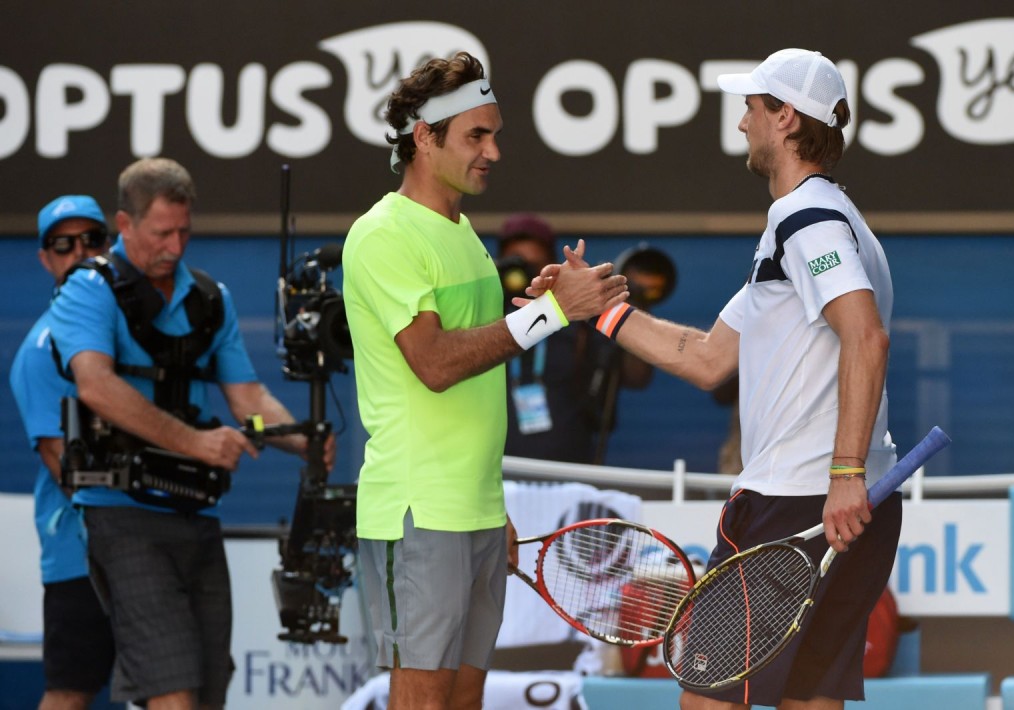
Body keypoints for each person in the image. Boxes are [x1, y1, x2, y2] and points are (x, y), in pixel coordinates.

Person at [528, 48, 900, 710]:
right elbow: (706, 357)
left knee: (707, 700)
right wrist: (596, 312)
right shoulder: (822, 225)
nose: (742, 125)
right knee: (809, 700)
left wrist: (844, 473)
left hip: (799, 500)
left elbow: (866, 337)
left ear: (785, 118)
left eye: (752, 109)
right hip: (846, 503)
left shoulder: (806, 219)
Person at [342, 52, 627, 710]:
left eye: (495, 134)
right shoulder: (381, 234)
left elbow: (481, 365)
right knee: (423, 701)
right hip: (416, 513)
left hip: (473, 511)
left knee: (466, 701)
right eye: (477, 135)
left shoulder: (465, 232)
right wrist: (554, 315)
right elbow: (436, 363)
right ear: (424, 135)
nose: (494, 151)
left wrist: (491, 508)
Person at [47, 158, 334, 710]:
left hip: (195, 515)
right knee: (171, 695)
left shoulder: (210, 297)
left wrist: (300, 439)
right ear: (124, 224)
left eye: (185, 231)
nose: (175, 246)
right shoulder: (87, 290)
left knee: (207, 694)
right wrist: (197, 441)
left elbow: (247, 398)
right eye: (161, 233)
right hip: (121, 514)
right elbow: (96, 387)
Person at [10, 195, 115, 710]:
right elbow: (65, 468)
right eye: (63, 244)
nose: (80, 253)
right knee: (71, 692)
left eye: (93, 240)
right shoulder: (37, 350)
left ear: (111, 245)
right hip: (80, 554)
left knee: (173, 686)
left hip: (148, 546)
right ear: (46, 259)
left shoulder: (132, 330)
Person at [496, 213, 655, 463]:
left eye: (535, 265)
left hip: (569, 471)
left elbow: (637, 376)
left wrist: (633, 303)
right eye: (518, 266)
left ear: (551, 265)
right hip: (497, 470)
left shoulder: (578, 320)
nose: (527, 277)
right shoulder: (485, 317)